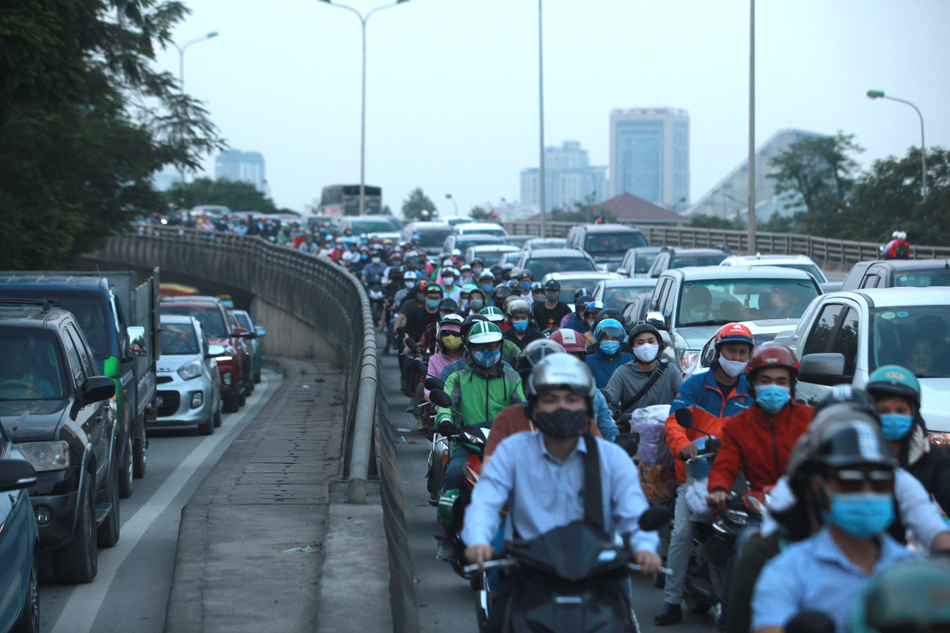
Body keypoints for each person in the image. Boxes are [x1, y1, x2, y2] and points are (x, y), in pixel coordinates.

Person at [462, 354, 662, 633]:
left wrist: (644, 547)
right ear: (534, 408)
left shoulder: (611, 458)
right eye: (550, 400)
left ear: (586, 407)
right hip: (528, 574)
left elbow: (634, 511)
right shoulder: (513, 451)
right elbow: (486, 498)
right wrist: (478, 539)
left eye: (571, 400)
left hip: (597, 575)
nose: (561, 408)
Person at [750, 417, 918, 633]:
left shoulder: (913, 571)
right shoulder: (788, 572)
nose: (867, 492)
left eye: (880, 481)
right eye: (850, 481)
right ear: (819, 487)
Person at [654, 323, 755, 626]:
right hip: (697, 476)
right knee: (682, 534)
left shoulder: (754, 390)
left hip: (740, 479)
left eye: (743, 351)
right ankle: (672, 602)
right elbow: (674, 422)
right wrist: (685, 447)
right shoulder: (695, 385)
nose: (737, 356)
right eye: (731, 350)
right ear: (718, 352)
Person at [436, 321, 524, 559]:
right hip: (468, 445)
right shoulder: (457, 377)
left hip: (505, 447)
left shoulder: (512, 377)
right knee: (454, 474)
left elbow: (524, 408)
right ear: (469, 348)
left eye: (493, 345)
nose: (488, 351)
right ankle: (448, 531)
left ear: (501, 345)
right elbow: (445, 407)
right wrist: (445, 421)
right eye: (481, 346)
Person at [707, 343, 813, 511]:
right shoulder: (737, 426)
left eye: (781, 381)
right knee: (746, 538)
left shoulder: (810, 418)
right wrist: (719, 489)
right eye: (765, 380)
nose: (773, 386)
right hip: (759, 507)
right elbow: (725, 464)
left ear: (790, 386)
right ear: (753, 384)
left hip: (806, 506)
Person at [483, 339, 603, 465]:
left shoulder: (579, 419)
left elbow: (602, 463)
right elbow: (490, 468)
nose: (561, 406)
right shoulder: (508, 418)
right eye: (549, 399)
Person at [866, 365, 950, 516]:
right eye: (883, 411)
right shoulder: (853, 454)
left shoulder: (934, 458)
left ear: (914, 415)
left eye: (901, 411)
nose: (893, 417)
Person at [549, 328, 620, 442]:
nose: (567, 361)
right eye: (562, 355)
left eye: (572, 356)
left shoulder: (593, 393)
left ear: (581, 360)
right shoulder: (538, 393)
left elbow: (608, 429)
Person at [603, 324, 683, 415]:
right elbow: (609, 402)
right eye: (640, 343)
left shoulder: (670, 370)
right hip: (633, 427)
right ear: (632, 349)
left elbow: (685, 399)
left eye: (651, 341)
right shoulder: (622, 373)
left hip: (668, 426)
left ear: (659, 344)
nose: (646, 347)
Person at [585, 318, 634, 389]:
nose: (609, 341)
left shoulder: (630, 359)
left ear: (621, 340)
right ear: (598, 339)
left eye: (614, 338)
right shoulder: (588, 361)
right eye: (605, 338)